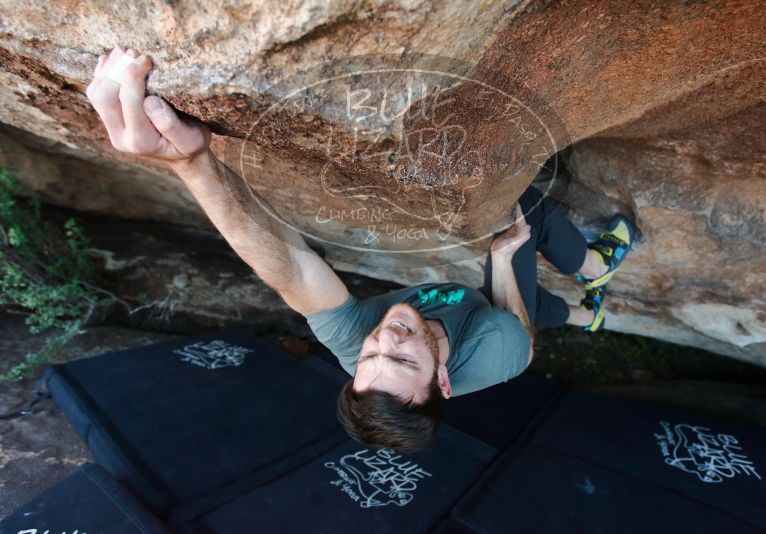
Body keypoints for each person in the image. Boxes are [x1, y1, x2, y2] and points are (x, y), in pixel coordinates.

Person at [86, 48, 635, 453]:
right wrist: (500, 259)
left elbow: (292, 268)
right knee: (526, 225)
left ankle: (589, 314)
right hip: (496, 315)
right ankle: (596, 266)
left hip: (477, 310)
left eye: (372, 357)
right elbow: (516, 324)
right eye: (402, 358)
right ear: (442, 381)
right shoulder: (499, 354)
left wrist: (192, 165)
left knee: (541, 292)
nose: (386, 339)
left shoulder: (358, 355)